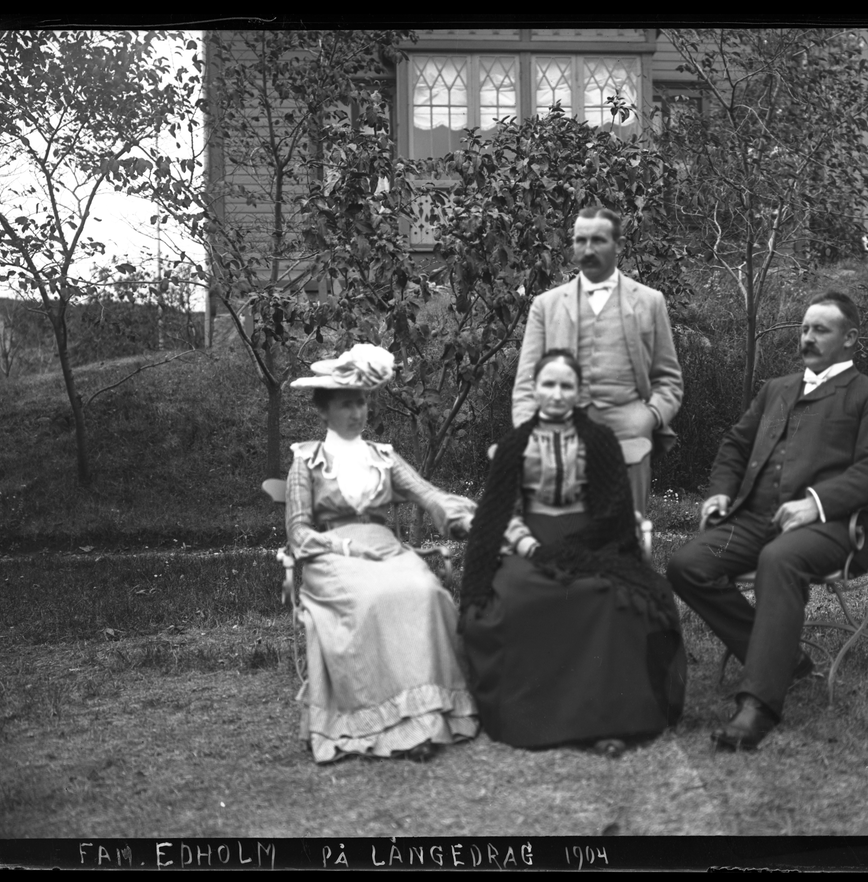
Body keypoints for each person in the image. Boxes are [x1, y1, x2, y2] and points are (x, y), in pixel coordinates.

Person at [666, 291, 868, 751]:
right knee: (687, 566)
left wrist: (815, 503)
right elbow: (735, 446)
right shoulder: (776, 389)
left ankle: (758, 705)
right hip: (754, 520)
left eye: (821, 330)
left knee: (779, 559)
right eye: (804, 328)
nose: (807, 338)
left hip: (832, 529)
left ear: (850, 338)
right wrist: (720, 493)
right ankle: (786, 661)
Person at [462, 349, 687, 754]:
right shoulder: (514, 445)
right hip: (530, 543)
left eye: (566, 385)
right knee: (515, 598)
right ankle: (537, 717)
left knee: (609, 596)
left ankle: (608, 721)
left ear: (579, 392)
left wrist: (579, 546)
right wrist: (529, 545)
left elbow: (614, 510)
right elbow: (499, 511)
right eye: (548, 384)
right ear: (534, 389)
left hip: (593, 541)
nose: (557, 393)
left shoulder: (599, 440)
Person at [285, 344, 479, 764]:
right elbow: (298, 533)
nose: (357, 412)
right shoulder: (306, 460)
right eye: (346, 404)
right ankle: (382, 721)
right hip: (332, 558)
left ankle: (426, 717)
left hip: (387, 550)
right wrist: (341, 545)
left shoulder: (383, 457)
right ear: (324, 410)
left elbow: (426, 493)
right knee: (373, 600)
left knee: (426, 593)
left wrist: (462, 516)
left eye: (361, 402)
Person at [511, 206, 683, 516]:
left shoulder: (649, 302)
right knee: (559, 535)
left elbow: (668, 379)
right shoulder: (546, 306)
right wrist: (531, 435)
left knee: (625, 533)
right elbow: (526, 384)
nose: (588, 249)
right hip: (558, 441)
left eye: (598, 240)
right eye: (581, 240)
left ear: (618, 245)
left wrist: (650, 416)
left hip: (628, 440)